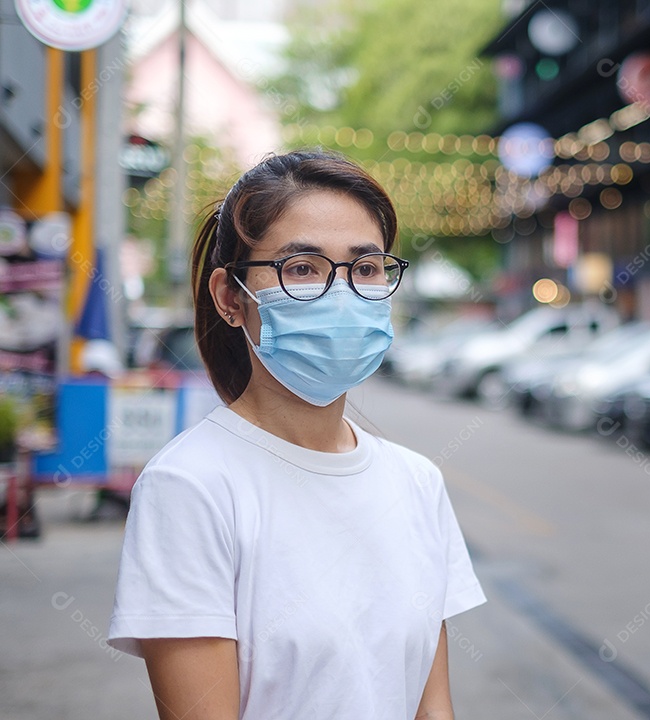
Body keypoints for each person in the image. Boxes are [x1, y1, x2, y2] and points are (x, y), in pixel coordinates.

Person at [106, 151, 486, 720]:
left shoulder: (416, 482)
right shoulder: (190, 487)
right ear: (231, 298)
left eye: (366, 268)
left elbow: (432, 709)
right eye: (301, 268)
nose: (341, 293)